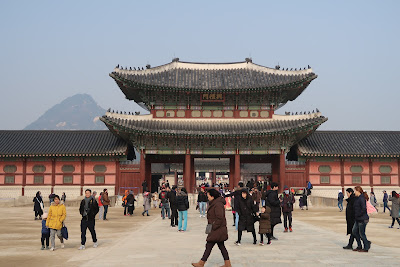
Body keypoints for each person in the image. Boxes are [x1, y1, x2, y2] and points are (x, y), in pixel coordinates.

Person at [192, 189, 231, 267]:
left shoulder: (218, 204)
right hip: (216, 228)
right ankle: (227, 263)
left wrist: (213, 226)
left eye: (208, 196)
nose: (207, 197)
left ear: (213, 196)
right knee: (220, 246)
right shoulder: (214, 203)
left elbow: (220, 217)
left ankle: (201, 262)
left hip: (217, 228)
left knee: (209, 245)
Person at [352, 186, 370, 252]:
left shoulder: (361, 198)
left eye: (355, 191)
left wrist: (358, 215)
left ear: (358, 191)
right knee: (354, 231)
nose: (354, 192)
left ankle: (366, 247)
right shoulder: (357, 198)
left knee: (362, 233)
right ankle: (359, 245)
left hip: (362, 219)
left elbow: (363, 209)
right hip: (358, 218)